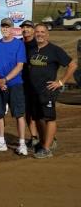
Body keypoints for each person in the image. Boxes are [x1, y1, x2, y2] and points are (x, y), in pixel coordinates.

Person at [28, 24, 77, 159]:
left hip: (48, 91)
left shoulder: (54, 50)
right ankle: (46, 141)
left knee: (49, 118)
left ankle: (47, 149)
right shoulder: (32, 50)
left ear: (47, 34)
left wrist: (61, 82)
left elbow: (73, 65)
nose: (40, 34)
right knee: (38, 118)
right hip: (34, 91)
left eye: (42, 32)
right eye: (37, 32)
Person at [0, 18, 28, 156]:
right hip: (0, 85)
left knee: (19, 114)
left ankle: (22, 144)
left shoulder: (18, 44)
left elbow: (20, 65)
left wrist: (5, 79)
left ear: (12, 28)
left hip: (15, 84)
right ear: (0, 28)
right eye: (3, 26)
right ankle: (1, 142)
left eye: (8, 26)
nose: (5, 29)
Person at [19, 20, 40, 150]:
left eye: (28, 27)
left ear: (33, 30)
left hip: (36, 83)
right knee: (27, 112)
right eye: (24, 27)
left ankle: (45, 137)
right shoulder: (19, 44)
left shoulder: (38, 44)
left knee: (38, 113)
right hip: (22, 82)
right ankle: (33, 137)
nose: (25, 29)